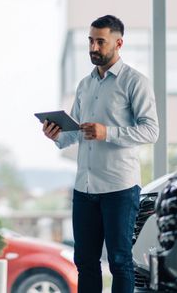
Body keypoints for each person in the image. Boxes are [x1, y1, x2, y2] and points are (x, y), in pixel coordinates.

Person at [43, 14, 158, 293]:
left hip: (119, 188)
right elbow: (76, 132)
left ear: (118, 43)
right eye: (91, 41)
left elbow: (151, 131)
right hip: (84, 187)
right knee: (84, 261)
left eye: (101, 42)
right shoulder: (85, 85)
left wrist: (109, 132)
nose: (93, 48)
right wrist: (57, 134)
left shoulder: (135, 82)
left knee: (120, 262)